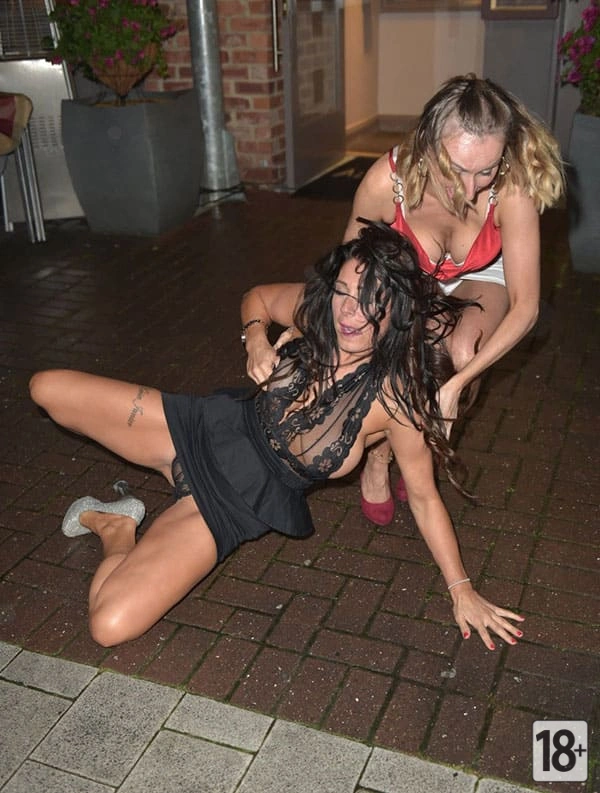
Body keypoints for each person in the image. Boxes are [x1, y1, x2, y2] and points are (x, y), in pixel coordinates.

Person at [30, 222, 524, 651]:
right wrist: (256, 340)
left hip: (232, 503)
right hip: (203, 429)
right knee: (46, 388)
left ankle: (117, 527)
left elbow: (423, 497)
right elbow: (259, 298)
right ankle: (151, 488)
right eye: (344, 292)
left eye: (370, 302)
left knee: (109, 625)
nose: (349, 314)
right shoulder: (321, 313)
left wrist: (461, 588)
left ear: (396, 311)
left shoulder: (394, 400)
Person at [247, 74, 565, 526]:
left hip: (482, 271)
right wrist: (304, 321)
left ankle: (425, 442)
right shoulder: (387, 180)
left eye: (486, 170)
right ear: (429, 145)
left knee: (460, 352)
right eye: (457, 169)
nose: (471, 189)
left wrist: (457, 384)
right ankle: (381, 455)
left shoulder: (513, 188)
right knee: (402, 346)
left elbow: (526, 306)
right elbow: (350, 269)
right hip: (409, 270)